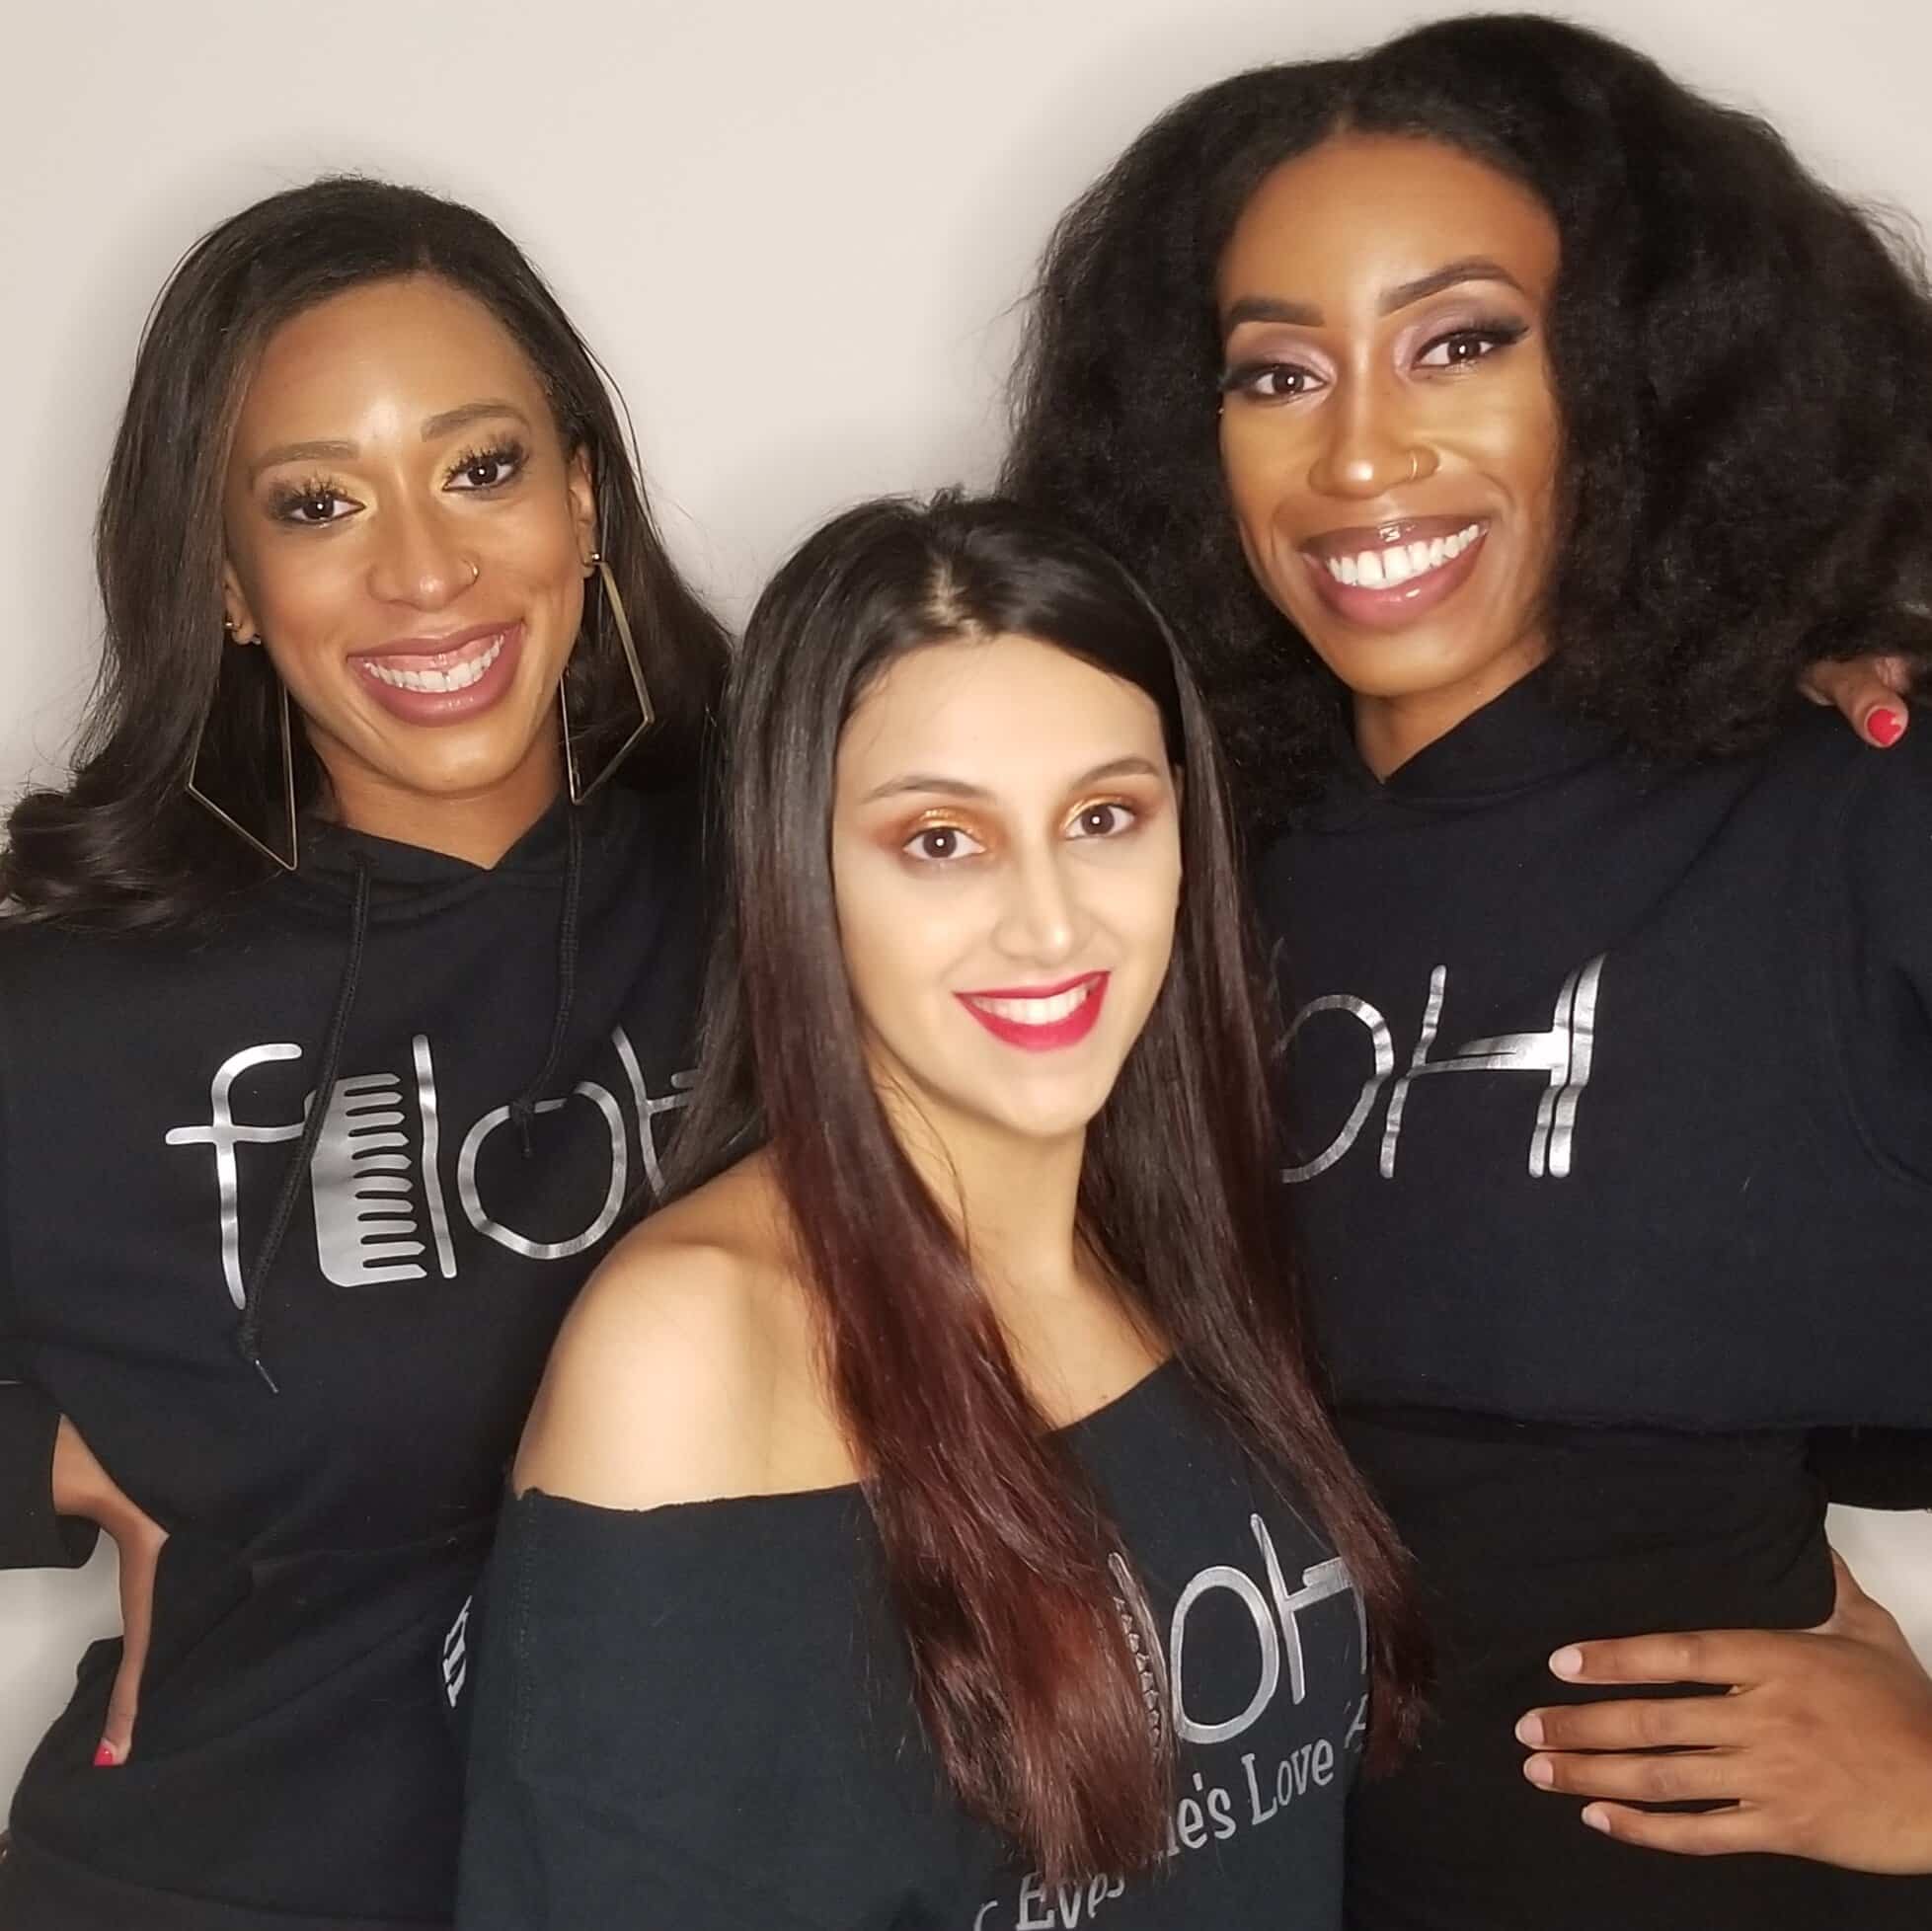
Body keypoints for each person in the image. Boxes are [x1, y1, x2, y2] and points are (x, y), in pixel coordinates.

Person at [1003, 14, 1932, 1929]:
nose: (1358, 450)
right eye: (1276, 370)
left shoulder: (1854, 800)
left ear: (1636, 372)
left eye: (1461, 340)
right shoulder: (1137, 864)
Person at [456, 494, 1428, 1929]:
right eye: (938, 842)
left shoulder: (1162, 1247)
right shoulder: (691, 1345)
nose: (1048, 922)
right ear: (802, 876)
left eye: (1103, 817)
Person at [0, 177, 726, 1928]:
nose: (425, 568)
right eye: (317, 503)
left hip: (733, 1871)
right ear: (226, 584)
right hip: (225, 1882)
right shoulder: (81, 999)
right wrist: (41, 1454)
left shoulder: (786, 874)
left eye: (481, 469)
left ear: (583, 496)